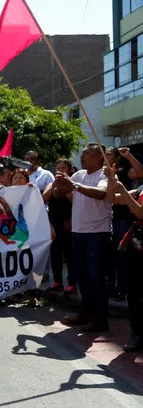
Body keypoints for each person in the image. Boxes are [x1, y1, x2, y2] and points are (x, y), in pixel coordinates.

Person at [57, 144, 112, 332]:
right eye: (82, 154)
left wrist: (72, 185)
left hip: (97, 233)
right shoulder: (79, 174)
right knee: (82, 276)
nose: (82, 156)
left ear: (99, 156)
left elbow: (101, 194)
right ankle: (86, 312)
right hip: (78, 232)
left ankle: (101, 319)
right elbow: (62, 191)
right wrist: (60, 183)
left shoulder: (106, 174)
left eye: (87, 153)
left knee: (96, 277)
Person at [104, 165, 143, 351]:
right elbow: (113, 199)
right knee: (134, 293)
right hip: (136, 248)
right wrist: (112, 181)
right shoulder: (140, 189)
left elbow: (141, 212)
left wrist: (123, 192)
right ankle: (137, 334)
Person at [105, 147, 135, 301]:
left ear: (116, 157)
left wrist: (128, 156)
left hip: (122, 219)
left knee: (122, 256)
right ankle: (109, 288)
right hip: (106, 221)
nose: (105, 157)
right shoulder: (101, 173)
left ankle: (121, 289)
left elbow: (139, 172)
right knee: (110, 257)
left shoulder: (124, 171)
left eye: (108, 154)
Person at [43, 158, 76, 294]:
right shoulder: (51, 184)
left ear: (69, 170)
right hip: (54, 224)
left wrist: (64, 187)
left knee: (70, 255)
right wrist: (55, 185)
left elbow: (74, 200)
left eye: (63, 168)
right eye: (59, 168)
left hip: (70, 223)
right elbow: (44, 198)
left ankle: (72, 283)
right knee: (55, 253)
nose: (61, 171)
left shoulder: (74, 184)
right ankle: (57, 282)